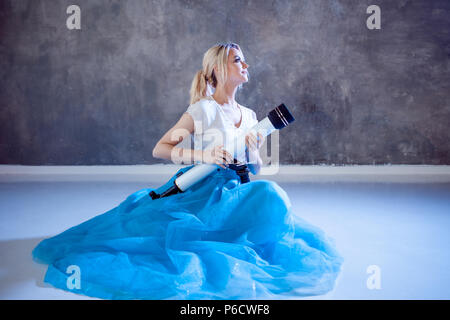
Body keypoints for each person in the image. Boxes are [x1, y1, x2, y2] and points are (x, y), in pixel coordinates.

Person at [32, 42, 343, 300]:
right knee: (199, 229)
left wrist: (252, 149)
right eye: (238, 60)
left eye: (245, 60)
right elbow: (161, 149)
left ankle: (235, 233)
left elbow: (256, 169)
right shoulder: (203, 110)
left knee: (269, 195)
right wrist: (204, 154)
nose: (246, 65)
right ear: (219, 70)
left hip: (236, 191)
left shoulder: (249, 116)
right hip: (201, 191)